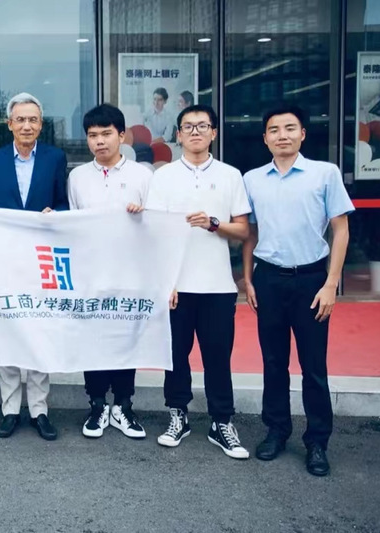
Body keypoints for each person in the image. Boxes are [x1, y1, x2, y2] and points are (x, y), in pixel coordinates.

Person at [242, 105, 353, 477]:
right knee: (273, 362)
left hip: (311, 280)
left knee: (313, 366)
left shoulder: (325, 173)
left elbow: (341, 229)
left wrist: (331, 284)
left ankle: (317, 441)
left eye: (290, 128)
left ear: (303, 133)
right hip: (269, 279)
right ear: (265, 138)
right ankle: (277, 429)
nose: (282, 135)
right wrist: (248, 279)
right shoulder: (253, 179)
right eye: (274, 130)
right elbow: (250, 233)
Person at [146, 104, 252, 460]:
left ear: (214, 133)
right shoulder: (163, 177)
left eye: (202, 126)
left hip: (218, 286)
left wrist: (213, 223)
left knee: (218, 357)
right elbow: (155, 232)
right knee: (175, 356)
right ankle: (178, 415)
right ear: (178, 134)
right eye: (188, 126)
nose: (195, 132)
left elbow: (243, 231)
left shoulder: (230, 175)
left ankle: (222, 422)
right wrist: (166, 281)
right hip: (176, 287)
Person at [0, 92, 68, 441]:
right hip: (4, 258)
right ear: (10, 124)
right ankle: (9, 410)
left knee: (39, 331)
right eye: (21, 119)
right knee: (8, 331)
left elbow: (63, 203)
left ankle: (39, 410)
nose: (27, 125)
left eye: (33, 119)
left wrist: (55, 214)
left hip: (41, 257)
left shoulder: (55, 158)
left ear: (41, 125)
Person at [68, 103, 152, 439]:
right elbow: (72, 225)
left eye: (106, 134)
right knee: (93, 341)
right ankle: (97, 404)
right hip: (90, 273)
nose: (100, 141)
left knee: (125, 340)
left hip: (130, 274)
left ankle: (123, 405)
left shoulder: (143, 176)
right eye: (93, 135)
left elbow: (156, 227)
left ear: (122, 135)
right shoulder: (77, 177)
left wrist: (142, 215)